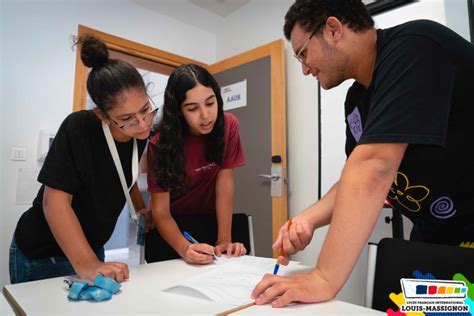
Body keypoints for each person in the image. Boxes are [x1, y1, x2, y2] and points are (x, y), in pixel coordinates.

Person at [251, 0, 474, 307]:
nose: (304, 69)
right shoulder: (356, 101)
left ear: (332, 29)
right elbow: (352, 178)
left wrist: (324, 277)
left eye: (303, 52)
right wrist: (307, 219)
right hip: (435, 237)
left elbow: (375, 166)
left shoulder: (415, 47)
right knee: (427, 310)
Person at [9, 35, 155, 284]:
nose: (142, 124)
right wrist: (87, 263)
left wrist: (141, 207)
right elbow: (53, 202)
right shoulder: (79, 128)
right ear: (102, 115)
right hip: (44, 254)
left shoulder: (137, 135)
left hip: (91, 247)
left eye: (145, 109)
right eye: (128, 118)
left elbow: (124, 174)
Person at [145, 64, 247, 265]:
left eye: (210, 103)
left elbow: (224, 184)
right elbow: (161, 212)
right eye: (193, 108)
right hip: (172, 226)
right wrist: (184, 248)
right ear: (179, 111)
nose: (206, 115)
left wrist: (224, 239)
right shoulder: (160, 143)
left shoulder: (228, 126)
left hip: (208, 218)